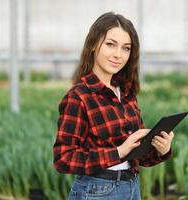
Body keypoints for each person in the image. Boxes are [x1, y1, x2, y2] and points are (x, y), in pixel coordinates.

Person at [53, 11, 174, 200]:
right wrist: (119, 151)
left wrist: (162, 149)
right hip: (97, 191)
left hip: (132, 186)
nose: (118, 55)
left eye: (126, 48)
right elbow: (63, 159)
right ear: (93, 45)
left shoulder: (126, 94)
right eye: (111, 45)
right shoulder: (79, 96)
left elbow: (136, 156)